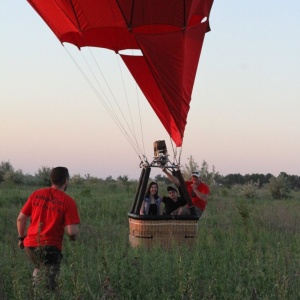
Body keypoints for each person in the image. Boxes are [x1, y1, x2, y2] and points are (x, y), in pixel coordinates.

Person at [16, 166, 80, 290]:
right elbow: (72, 232)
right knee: (51, 282)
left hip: (30, 244)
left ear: (52, 180)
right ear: (66, 181)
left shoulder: (37, 194)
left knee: (39, 267)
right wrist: (75, 235)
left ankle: (36, 292)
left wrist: (20, 238)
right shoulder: (68, 201)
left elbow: (20, 219)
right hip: (50, 246)